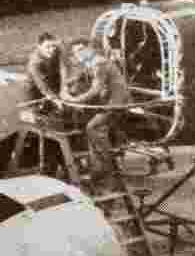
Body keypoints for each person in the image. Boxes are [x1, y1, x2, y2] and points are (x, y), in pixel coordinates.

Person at [63, 39, 132, 179]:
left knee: (93, 127)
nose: (79, 54)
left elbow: (96, 89)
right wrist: (66, 86)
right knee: (87, 125)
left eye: (81, 50)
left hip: (117, 104)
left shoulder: (100, 64)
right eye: (76, 52)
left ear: (90, 49)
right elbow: (80, 76)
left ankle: (107, 167)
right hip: (110, 102)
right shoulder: (92, 63)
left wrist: (75, 100)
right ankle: (97, 166)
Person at [23, 33, 64, 125]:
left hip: (52, 80)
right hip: (34, 89)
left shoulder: (57, 50)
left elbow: (63, 67)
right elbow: (41, 85)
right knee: (39, 118)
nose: (51, 50)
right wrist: (55, 99)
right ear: (39, 47)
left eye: (53, 46)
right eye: (47, 47)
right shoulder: (34, 62)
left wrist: (63, 89)